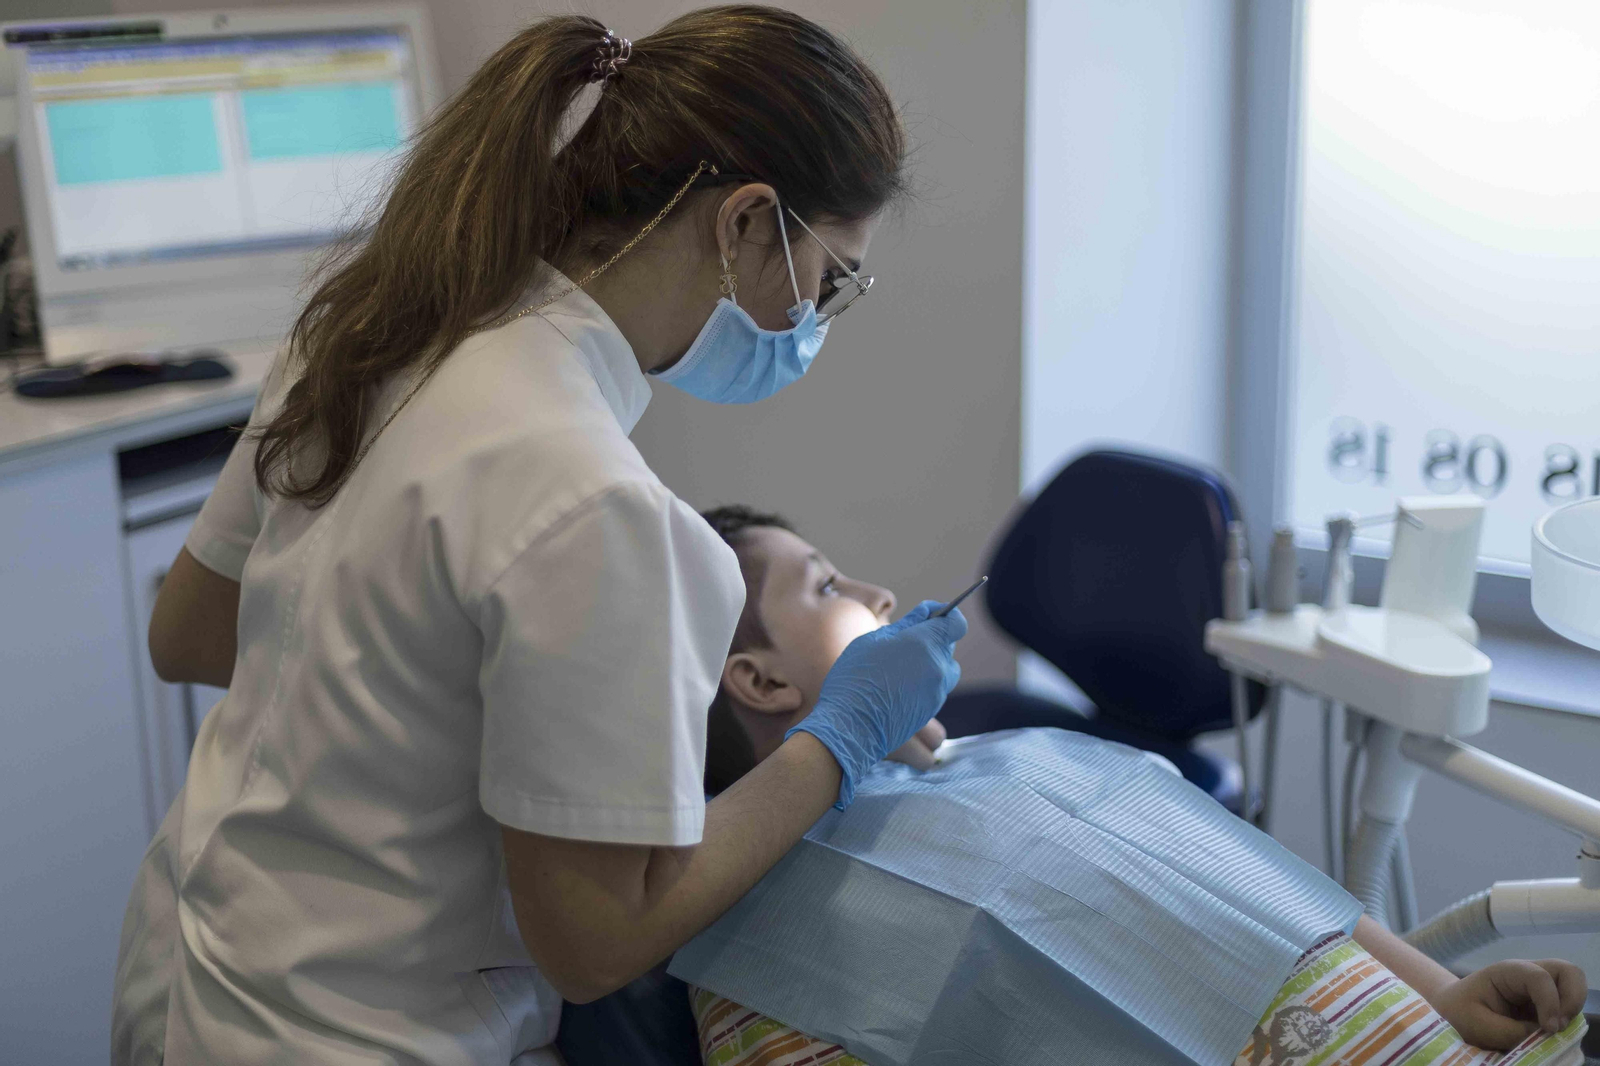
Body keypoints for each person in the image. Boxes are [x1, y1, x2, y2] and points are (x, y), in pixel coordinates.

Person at [112, 9, 968, 1065]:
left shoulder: (377, 327)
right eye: (828, 279)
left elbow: (190, 632)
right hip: (354, 1035)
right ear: (746, 221)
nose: (815, 321)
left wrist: (419, 702)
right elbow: (592, 945)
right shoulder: (596, 506)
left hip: (189, 975)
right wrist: (835, 741)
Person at [685, 505, 1590, 1066]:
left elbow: (1269, 886)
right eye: (825, 585)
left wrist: (1444, 992)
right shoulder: (752, 963)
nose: (878, 594)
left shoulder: (1030, 754)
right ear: (761, 683)